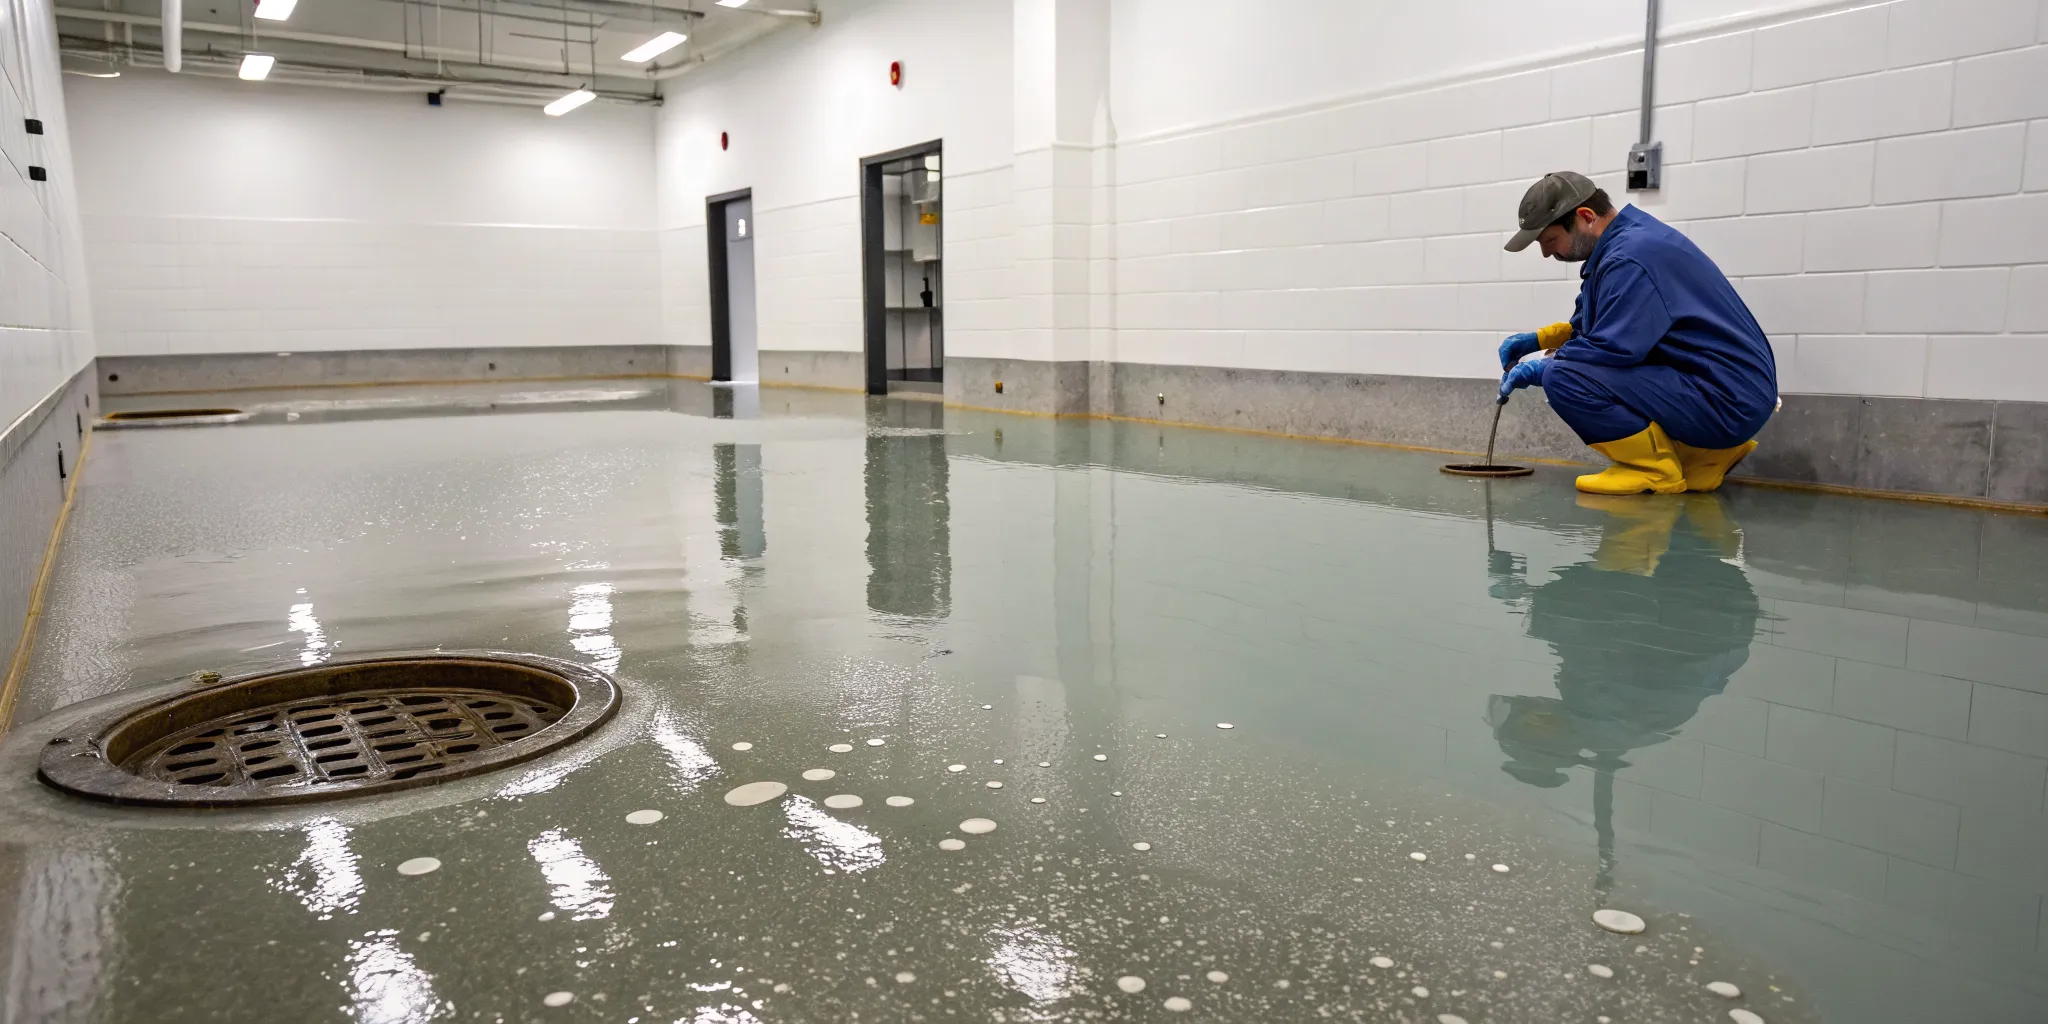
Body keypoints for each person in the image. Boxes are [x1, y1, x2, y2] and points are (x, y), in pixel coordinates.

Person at [1497, 172, 1778, 495]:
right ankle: (1705, 457)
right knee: (1569, 365)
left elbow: (1612, 348)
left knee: (1565, 378)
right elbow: (1593, 322)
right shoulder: (1624, 245)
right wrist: (1538, 340)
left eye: (1549, 241)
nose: (1548, 254)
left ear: (1585, 217)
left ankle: (1653, 469)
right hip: (1729, 390)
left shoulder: (1630, 257)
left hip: (1725, 400)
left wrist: (1544, 368)